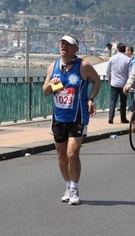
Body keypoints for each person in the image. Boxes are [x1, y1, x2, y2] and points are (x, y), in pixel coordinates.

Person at [42, 34, 101, 205]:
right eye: (62, 43)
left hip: (78, 116)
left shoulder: (83, 66)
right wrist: (51, 84)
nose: (64, 46)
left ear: (76, 48)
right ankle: (68, 185)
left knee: (72, 154)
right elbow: (45, 91)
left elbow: (97, 81)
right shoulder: (53, 66)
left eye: (68, 44)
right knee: (61, 155)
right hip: (59, 117)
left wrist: (90, 99)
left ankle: (75, 188)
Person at [106, 43, 131, 124]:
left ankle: (111, 117)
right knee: (123, 102)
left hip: (114, 83)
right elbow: (129, 72)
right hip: (124, 83)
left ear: (117, 49)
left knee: (113, 100)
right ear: (124, 50)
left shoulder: (112, 58)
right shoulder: (128, 59)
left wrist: (108, 78)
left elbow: (108, 70)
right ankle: (123, 118)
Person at [125, 45, 135, 112]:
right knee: (132, 94)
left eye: (126, 50)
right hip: (129, 80)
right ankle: (132, 107)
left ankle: (131, 107)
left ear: (129, 51)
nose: (125, 52)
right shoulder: (126, 59)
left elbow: (134, 70)